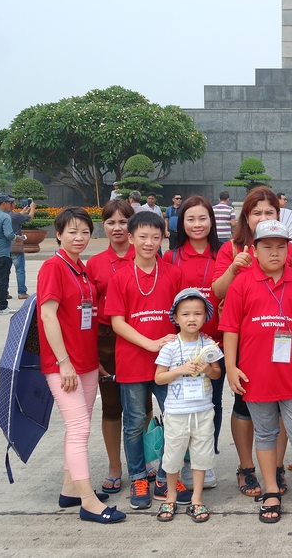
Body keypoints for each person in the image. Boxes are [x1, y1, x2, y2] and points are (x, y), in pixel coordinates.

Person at [220, 220, 292, 523]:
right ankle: (271, 489)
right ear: (254, 250)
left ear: (289, 249)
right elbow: (229, 328)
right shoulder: (242, 282)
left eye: (280, 246)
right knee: (266, 434)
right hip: (255, 376)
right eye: (267, 246)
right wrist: (231, 366)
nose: (274, 252)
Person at [37, 207, 125, 523]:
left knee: (80, 426)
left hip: (88, 363)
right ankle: (89, 501)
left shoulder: (81, 269)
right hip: (65, 366)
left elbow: (85, 319)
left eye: (85, 231)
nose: (79, 237)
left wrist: (94, 362)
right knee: (79, 428)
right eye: (72, 231)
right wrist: (64, 363)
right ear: (58, 233)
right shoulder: (53, 267)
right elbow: (48, 316)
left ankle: (70, 488)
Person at [211, 186, 292, 499]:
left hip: (283, 344)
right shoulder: (232, 249)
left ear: (278, 214)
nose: (263, 216)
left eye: (269, 212)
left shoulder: (286, 248)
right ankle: (247, 466)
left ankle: (273, 467)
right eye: (257, 212)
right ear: (246, 218)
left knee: (282, 407)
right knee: (245, 406)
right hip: (247, 344)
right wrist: (235, 269)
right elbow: (218, 292)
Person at [106, 210, 189, 510]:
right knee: (134, 423)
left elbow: (184, 315)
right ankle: (139, 477)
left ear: (163, 237)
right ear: (130, 238)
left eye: (156, 236)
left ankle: (168, 476)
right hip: (131, 362)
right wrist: (151, 344)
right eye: (142, 236)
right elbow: (118, 322)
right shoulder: (120, 277)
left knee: (175, 421)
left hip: (168, 365)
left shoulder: (173, 274)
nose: (149, 242)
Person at [164, 195, 223, 489]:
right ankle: (184, 463)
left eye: (203, 218)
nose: (197, 224)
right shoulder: (171, 257)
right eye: (190, 219)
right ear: (180, 222)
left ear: (211, 221)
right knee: (182, 407)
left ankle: (205, 460)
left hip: (215, 344)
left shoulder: (223, 254)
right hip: (182, 347)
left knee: (212, 404)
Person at [85, 199, 142, 494]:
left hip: (140, 338)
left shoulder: (146, 255)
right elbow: (87, 312)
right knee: (111, 407)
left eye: (123, 221)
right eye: (111, 222)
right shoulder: (94, 264)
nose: (117, 227)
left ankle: (143, 465)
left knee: (141, 406)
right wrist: (92, 354)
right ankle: (114, 466)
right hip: (106, 340)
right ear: (103, 226)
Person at [154, 288, 223, 523]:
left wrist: (208, 368)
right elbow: (159, 378)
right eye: (185, 314)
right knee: (172, 455)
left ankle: (196, 499)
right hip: (176, 412)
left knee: (201, 454)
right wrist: (180, 370)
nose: (191, 319)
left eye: (197, 313)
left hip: (203, 410)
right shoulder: (170, 347)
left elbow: (216, 374)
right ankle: (170, 496)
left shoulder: (209, 345)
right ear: (175, 317)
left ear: (206, 316)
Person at [9, 198, 36, 300]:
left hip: (4, 247)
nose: (15, 204)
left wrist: (22, 212)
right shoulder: (15, 216)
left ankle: (4, 292)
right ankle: (22, 292)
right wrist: (32, 208)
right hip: (15, 246)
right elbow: (30, 217)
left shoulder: (3, 216)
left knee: (5, 271)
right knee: (20, 270)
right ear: (10, 204)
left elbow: (16, 217)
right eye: (13, 203)